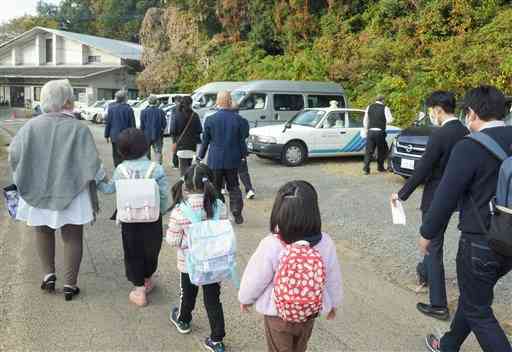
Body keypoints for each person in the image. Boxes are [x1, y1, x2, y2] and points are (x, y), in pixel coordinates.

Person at [421, 86, 512, 352]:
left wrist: (427, 233)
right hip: (509, 237)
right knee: (474, 298)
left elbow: (445, 196)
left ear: (471, 113)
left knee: (478, 310)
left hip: (480, 242)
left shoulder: (469, 147)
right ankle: (448, 345)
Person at [9, 79, 103, 301]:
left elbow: (14, 155)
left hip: (37, 188)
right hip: (72, 190)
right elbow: (92, 164)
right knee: (72, 237)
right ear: (68, 101)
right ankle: (70, 285)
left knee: (42, 231)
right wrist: (103, 183)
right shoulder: (79, 128)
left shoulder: (30, 126)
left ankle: (48, 275)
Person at [391, 91, 468, 321]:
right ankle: (424, 275)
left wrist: (401, 194)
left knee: (433, 247)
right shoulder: (466, 132)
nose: (431, 114)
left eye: (431, 110)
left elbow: (423, 169)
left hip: (435, 198)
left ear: (438, 110)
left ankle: (439, 305)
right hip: (456, 198)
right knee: (434, 245)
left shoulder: (440, 135)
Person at [239, 180, 342, 352]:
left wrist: (245, 299)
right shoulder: (325, 243)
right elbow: (333, 278)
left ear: (279, 213)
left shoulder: (272, 243)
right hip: (308, 313)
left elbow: (256, 278)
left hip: (277, 314)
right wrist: (333, 304)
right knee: (300, 348)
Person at [97, 128, 169, 307]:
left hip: (130, 220)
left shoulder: (121, 170)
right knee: (152, 250)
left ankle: (139, 289)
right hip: (152, 218)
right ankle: (147, 279)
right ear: (145, 147)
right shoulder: (156, 169)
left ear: (122, 150)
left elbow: (108, 189)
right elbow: (165, 197)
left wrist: (97, 178)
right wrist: (162, 211)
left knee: (133, 251)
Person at [166, 164, 228, 352]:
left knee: (188, 293)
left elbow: (172, 240)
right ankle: (217, 340)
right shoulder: (219, 206)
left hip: (189, 264)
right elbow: (224, 230)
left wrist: (190, 239)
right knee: (213, 300)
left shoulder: (180, 211)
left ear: (185, 185)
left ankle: (184, 319)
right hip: (213, 264)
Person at [197, 91, 249, 225]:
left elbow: (205, 141)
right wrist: (244, 155)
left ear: (218, 102)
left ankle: (219, 211)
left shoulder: (210, 119)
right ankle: (236, 209)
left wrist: (200, 156)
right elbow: (242, 140)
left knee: (215, 187)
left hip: (215, 160)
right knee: (234, 186)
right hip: (233, 159)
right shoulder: (239, 120)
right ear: (230, 101)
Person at [172, 96, 203, 176]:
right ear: (191, 104)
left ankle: (185, 185)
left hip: (180, 144)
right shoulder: (195, 115)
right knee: (189, 166)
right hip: (192, 145)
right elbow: (199, 130)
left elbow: (173, 130)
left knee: (183, 167)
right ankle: (188, 185)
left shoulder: (177, 115)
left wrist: (175, 140)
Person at [362, 95, 393, 174]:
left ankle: (366, 169)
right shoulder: (385, 108)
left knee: (369, 151)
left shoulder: (369, 107)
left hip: (370, 131)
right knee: (383, 150)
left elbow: (365, 120)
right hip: (380, 132)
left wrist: (366, 129)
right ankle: (380, 167)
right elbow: (389, 120)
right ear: (382, 100)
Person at [104, 90, 136, 167]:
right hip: (126, 137)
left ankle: (117, 170)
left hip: (114, 136)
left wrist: (106, 135)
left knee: (116, 155)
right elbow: (132, 125)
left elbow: (108, 123)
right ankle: (124, 172)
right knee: (125, 155)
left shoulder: (111, 109)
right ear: (125, 98)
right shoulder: (129, 109)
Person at [140, 95, 167, 164]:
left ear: (148, 102)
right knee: (158, 152)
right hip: (158, 135)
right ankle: (158, 167)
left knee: (146, 153)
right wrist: (161, 130)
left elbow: (142, 125)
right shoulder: (161, 111)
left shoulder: (143, 112)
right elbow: (164, 124)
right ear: (156, 102)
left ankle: (147, 167)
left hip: (146, 135)